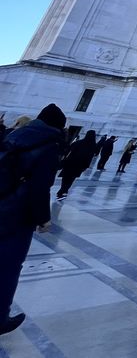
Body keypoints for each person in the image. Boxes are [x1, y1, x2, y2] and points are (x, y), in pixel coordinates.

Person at [0, 103, 66, 336]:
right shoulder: (50, 145)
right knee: (8, 266)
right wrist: (43, 218)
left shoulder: (14, 134)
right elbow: (40, 186)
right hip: (17, 212)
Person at [56, 129, 97, 199]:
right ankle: (63, 191)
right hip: (80, 165)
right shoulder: (93, 146)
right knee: (71, 178)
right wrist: (86, 166)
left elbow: (69, 150)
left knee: (65, 177)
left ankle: (62, 190)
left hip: (70, 162)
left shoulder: (78, 142)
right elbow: (89, 157)